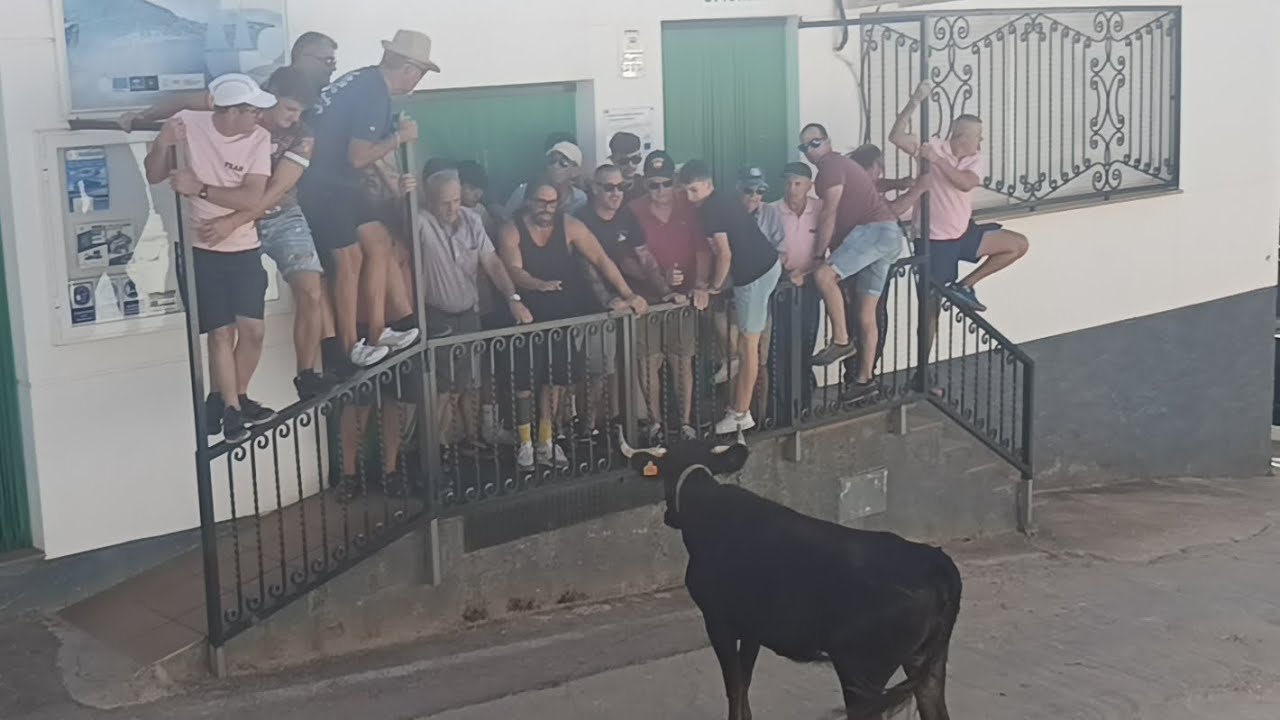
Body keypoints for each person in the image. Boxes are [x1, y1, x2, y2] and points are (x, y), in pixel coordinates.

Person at [144, 74, 277, 443]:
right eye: (251, 110)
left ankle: (229, 397)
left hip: (244, 247)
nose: (258, 117)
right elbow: (154, 174)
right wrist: (161, 142)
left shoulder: (260, 138)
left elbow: (252, 198)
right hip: (200, 249)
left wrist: (200, 188)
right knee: (220, 333)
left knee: (254, 330)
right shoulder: (189, 124)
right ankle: (234, 409)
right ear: (230, 112)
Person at [195, 66, 338, 401]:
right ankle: (229, 396)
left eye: (301, 111)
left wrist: (234, 221)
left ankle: (306, 373)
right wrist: (144, 114)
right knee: (228, 320)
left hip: (279, 214)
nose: (294, 118)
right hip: (229, 214)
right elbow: (196, 105)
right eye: (289, 108)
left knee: (311, 287)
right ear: (269, 96)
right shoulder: (243, 114)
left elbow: (276, 190)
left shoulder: (303, 135)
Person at [300, 30, 437, 368]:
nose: (418, 80)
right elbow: (359, 155)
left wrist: (389, 180)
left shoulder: (362, 78)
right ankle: (350, 347)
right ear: (408, 67)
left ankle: (378, 331)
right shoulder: (377, 93)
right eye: (420, 72)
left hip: (340, 181)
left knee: (378, 242)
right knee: (348, 261)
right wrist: (400, 138)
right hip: (324, 184)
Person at [497, 178, 647, 470]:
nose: (547, 208)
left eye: (552, 203)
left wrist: (628, 294)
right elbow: (512, 269)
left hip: (561, 315)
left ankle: (546, 440)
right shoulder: (511, 228)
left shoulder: (570, 226)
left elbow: (601, 259)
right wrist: (538, 285)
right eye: (541, 201)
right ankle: (525, 443)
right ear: (528, 201)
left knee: (556, 382)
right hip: (526, 317)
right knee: (525, 384)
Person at [415, 168, 532, 456]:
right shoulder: (419, 221)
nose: (453, 207)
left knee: (458, 386)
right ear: (429, 200)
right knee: (440, 389)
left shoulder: (472, 219)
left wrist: (512, 298)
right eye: (445, 202)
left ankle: (440, 446)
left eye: (456, 200)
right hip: (435, 315)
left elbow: (491, 262)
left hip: (469, 314)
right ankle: (430, 451)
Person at [889, 81, 1029, 312]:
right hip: (935, 240)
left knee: (1017, 244)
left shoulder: (973, 159)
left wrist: (936, 160)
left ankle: (964, 286)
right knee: (930, 306)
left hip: (963, 232)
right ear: (963, 136)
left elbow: (965, 184)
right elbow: (896, 136)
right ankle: (927, 349)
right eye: (978, 136)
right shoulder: (933, 146)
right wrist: (915, 101)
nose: (981, 141)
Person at [576, 164, 683, 438]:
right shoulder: (581, 219)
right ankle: (585, 430)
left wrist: (663, 291)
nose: (616, 193)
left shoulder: (627, 216)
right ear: (594, 188)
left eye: (621, 187)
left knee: (620, 368)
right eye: (608, 187)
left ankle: (619, 425)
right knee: (597, 372)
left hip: (624, 301)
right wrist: (608, 300)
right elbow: (586, 267)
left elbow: (645, 257)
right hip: (590, 307)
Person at [800, 122, 905, 397]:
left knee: (824, 276)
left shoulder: (830, 167)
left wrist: (818, 256)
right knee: (866, 314)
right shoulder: (843, 166)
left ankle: (841, 340)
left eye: (815, 142)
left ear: (828, 141)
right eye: (805, 147)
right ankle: (863, 381)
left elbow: (829, 212)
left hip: (874, 231)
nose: (811, 150)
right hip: (888, 236)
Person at [677, 160, 782, 435]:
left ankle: (740, 413)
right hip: (763, 267)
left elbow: (724, 254)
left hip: (753, 277)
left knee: (750, 347)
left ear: (708, 185)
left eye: (694, 191)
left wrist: (713, 286)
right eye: (686, 191)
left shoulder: (711, 210)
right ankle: (732, 361)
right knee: (742, 340)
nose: (690, 197)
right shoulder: (721, 201)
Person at [629, 151, 710, 445]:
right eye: (653, 185)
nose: (660, 190)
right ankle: (654, 424)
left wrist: (700, 284)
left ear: (674, 181)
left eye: (665, 183)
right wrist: (658, 276)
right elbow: (626, 257)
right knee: (648, 363)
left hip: (682, 299)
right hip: (647, 299)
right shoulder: (634, 209)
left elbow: (703, 249)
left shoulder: (689, 207)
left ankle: (686, 423)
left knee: (681, 360)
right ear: (645, 184)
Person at [118, 32, 339, 131]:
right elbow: (188, 101)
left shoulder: (329, 95)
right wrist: (142, 117)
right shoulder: (260, 81)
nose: (333, 67)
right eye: (327, 60)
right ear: (301, 55)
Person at [772, 161, 825, 413]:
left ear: (809, 186)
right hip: (781, 288)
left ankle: (803, 403)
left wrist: (808, 274)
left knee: (806, 343)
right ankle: (782, 406)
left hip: (811, 286)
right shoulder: (771, 210)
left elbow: (831, 249)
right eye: (788, 183)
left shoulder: (821, 208)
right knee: (780, 346)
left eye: (798, 183)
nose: (792, 189)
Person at [503, 142, 588, 218]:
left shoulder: (580, 199)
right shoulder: (524, 191)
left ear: (575, 171)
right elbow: (506, 219)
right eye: (552, 160)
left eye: (563, 162)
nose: (555, 166)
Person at [607, 132, 647, 202]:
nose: (631, 165)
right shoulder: (606, 189)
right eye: (624, 161)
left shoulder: (646, 185)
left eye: (636, 159)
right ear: (613, 160)